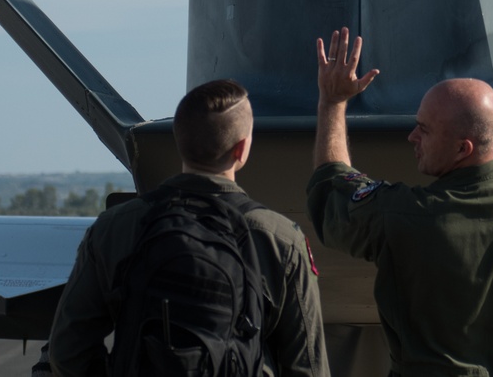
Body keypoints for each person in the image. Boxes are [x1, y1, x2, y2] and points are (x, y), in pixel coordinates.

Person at [306, 27, 493, 376]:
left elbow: (330, 190)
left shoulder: (403, 216)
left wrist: (332, 103)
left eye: (424, 129)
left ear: (463, 148)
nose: (412, 137)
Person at [48, 79, 330, 377]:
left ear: (178, 139)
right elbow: (308, 369)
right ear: (242, 147)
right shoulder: (280, 238)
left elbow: (68, 351)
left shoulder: (116, 227)